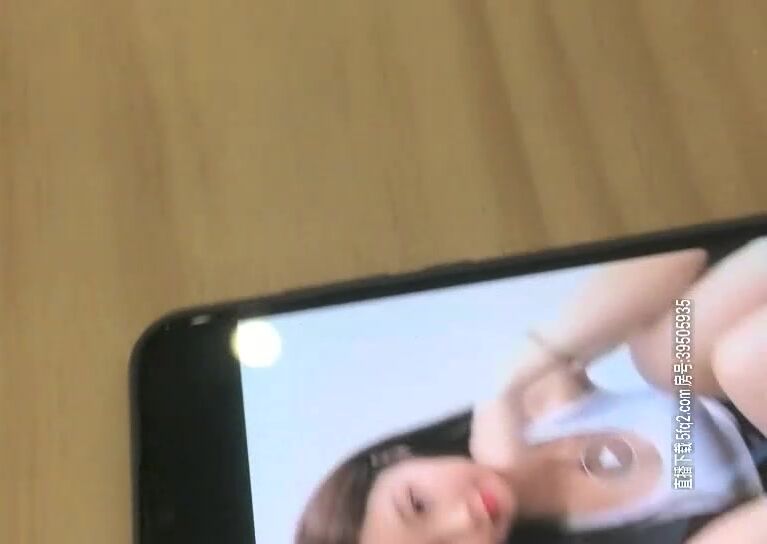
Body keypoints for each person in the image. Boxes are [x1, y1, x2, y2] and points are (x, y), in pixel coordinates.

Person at [296, 238, 767, 544]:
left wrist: (508, 384)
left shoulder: (530, 409)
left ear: (398, 458)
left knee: (667, 351)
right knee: (742, 359)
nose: (463, 523)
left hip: (737, 386)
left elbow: (678, 257)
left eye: (418, 505)